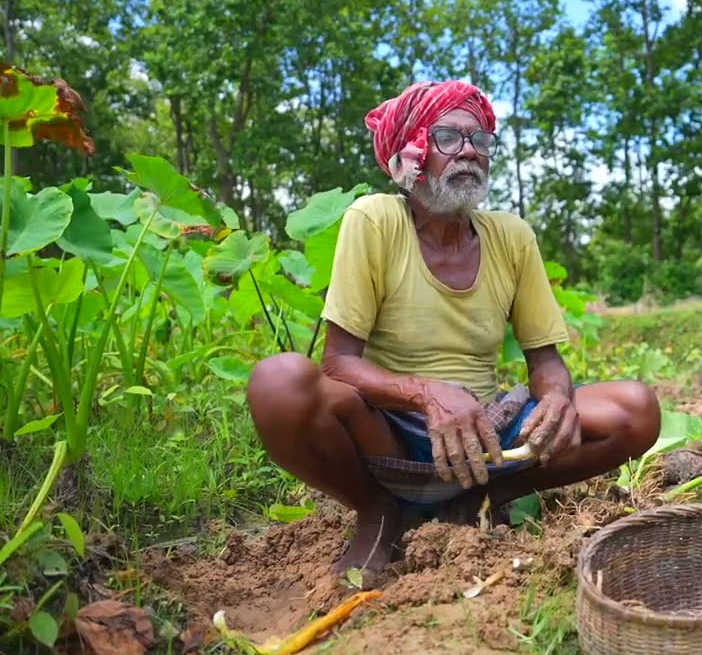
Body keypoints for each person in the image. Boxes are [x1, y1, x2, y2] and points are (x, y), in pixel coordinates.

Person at [246, 80, 661, 573]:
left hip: (490, 433)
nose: (469, 150)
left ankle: (485, 499)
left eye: (480, 140)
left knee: (634, 409)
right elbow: (337, 365)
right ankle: (377, 510)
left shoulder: (512, 236)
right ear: (414, 151)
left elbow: (546, 360)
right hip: (390, 430)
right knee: (277, 382)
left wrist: (554, 398)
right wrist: (425, 394)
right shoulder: (375, 220)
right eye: (448, 137)